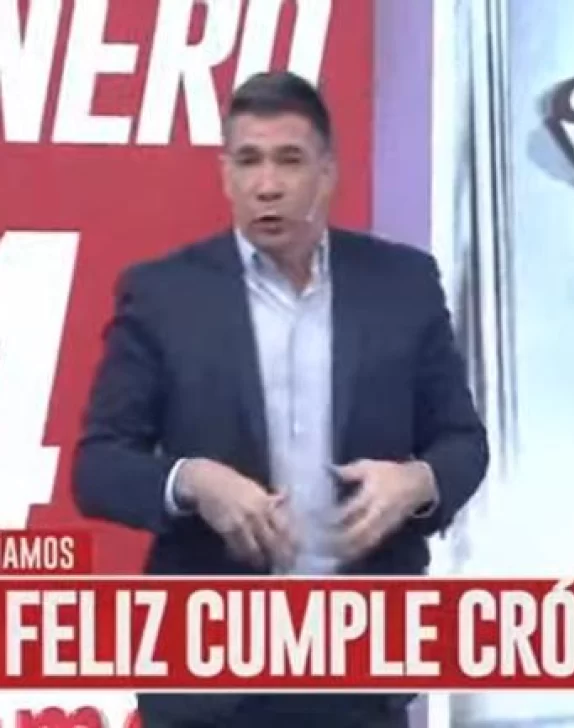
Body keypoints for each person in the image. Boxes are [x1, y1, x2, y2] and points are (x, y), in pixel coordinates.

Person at [72, 71, 488, 728]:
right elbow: (98, 468)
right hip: (209, 676)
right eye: (249, 161)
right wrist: (193, 481)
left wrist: (417, 483)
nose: (267, 185)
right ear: (225, 174)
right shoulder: (163, 295)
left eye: (289, 160)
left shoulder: (402, 284)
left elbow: (463, 443)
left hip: (358, 667)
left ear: (327, 172)